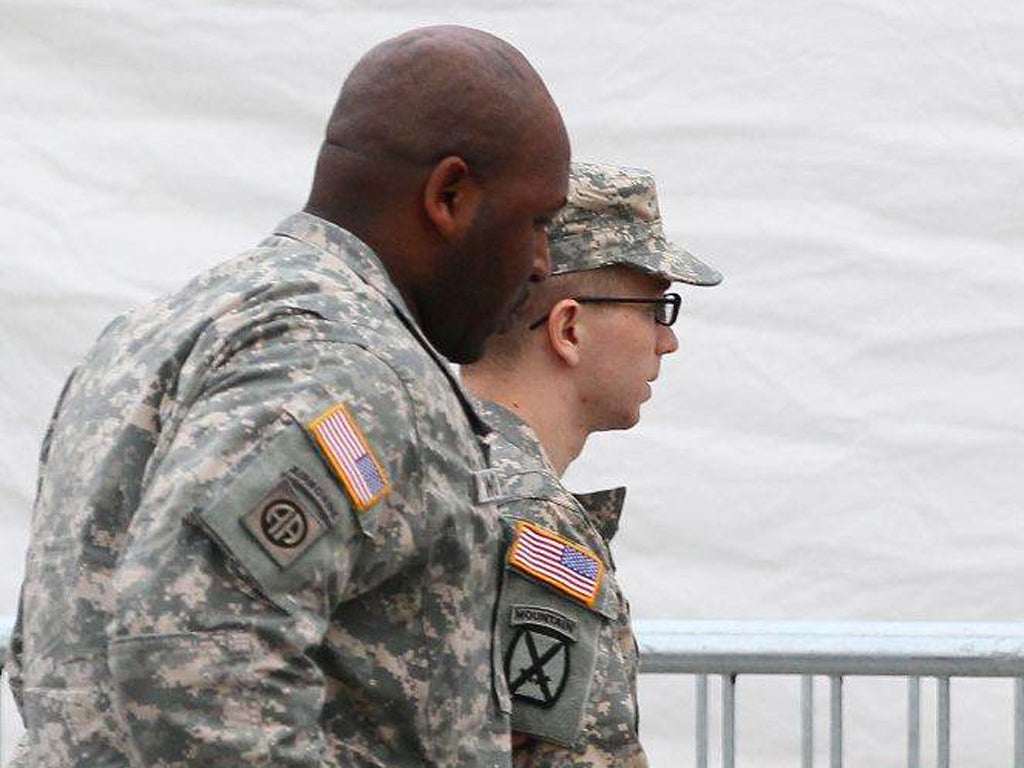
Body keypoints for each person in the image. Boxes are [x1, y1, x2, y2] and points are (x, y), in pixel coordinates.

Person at [7, 26, 569, 768]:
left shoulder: (154, 333)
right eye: (537, 221)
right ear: (450, 196)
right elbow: (200, 657)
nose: (542, 262)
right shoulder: (348, 366)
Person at [461, 161, 722, 767]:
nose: (668, 340)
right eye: (656, 308)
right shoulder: (533, 520)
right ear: (569, 328)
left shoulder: (413, 453)